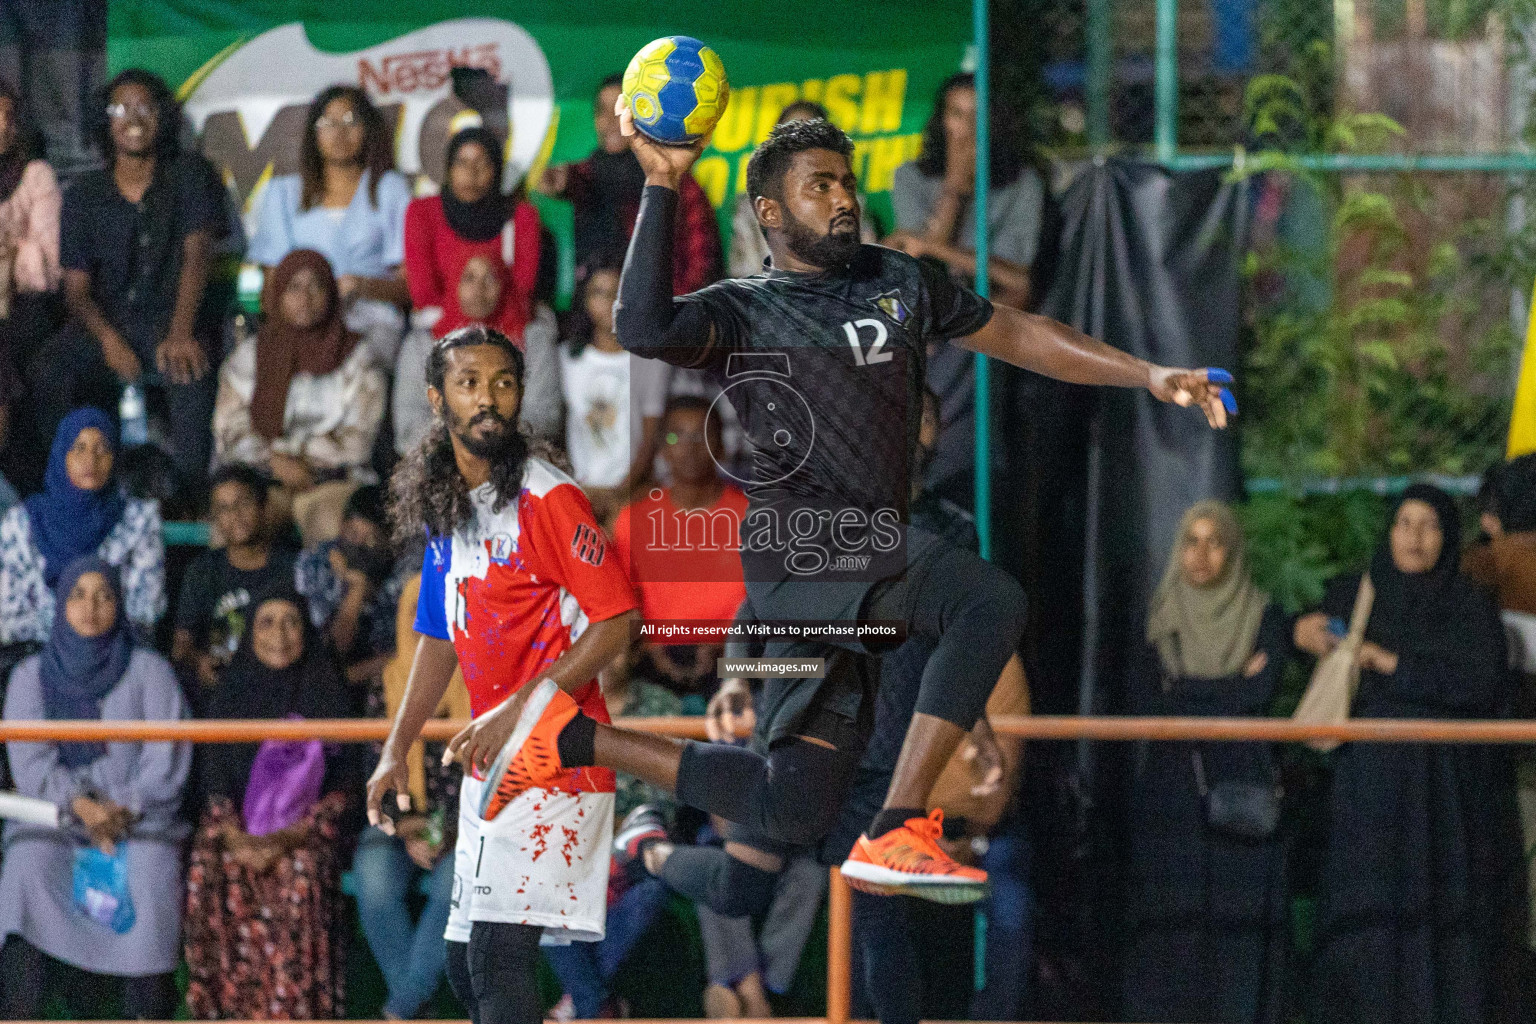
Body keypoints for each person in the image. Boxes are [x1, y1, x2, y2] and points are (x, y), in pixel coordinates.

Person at [463, 109, 1230, 899]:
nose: (842, 198)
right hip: (805, 543)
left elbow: (1022, 334)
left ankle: (573, 736)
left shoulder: (900, 279)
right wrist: (661, 179)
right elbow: (642, 322)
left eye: (847, 182)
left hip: (859, 555)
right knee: (988, 601)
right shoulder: (747, 305)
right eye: (819, 184)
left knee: (790, 804)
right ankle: (899, 826)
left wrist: (1147, 374)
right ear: (769, 211)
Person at [368, 325, 639, 1024]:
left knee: (495, 965)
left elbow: (617, 618)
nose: (488, 398)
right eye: (469, 383)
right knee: (467, 966)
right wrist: (397, 748)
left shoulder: (550, 499)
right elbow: (437, 635)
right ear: (436, 399)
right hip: (496, 763)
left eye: (504, 383)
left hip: (556, 758)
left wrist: (521, 708)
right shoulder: (445, 501)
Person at [1294, 484, 1525, 1024]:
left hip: (1443, 788)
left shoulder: (1467, 604)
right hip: (1371, 784)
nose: (1415, 537)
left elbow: (1480, 681)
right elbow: (1300, 630)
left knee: (1442, 905)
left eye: (1429, 525)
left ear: (1447, 538)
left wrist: (1393, 665)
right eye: (1404, 523)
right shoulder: (1357, 595)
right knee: (1366, 902)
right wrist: (1299, 632)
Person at [0, 556, 190, 1021]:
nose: (91, 607)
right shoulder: (30, 677)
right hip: (59, 817)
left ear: (120, 603)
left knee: (150, 869)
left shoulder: (150, 671)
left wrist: (122, 809)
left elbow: (165, 758)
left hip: (139, 819)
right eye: (79, 595)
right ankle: (18, 1013)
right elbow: (30, 766)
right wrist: (82, 806)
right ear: (61, 604)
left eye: (104, 595)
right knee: (28, 865)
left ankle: (145, 1014)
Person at [1121, 500, 1290, 1023]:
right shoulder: (1159, 616)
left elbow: (1259, 696)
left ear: (1233, 551)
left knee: (1238, 922)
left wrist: (1190, 692)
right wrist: (1232, 687)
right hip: (1172, 792)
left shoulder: (1264, 614)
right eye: (1190, 541)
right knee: (1174, 919)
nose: (1200, 555)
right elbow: (1148, 701)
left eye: (1215, 542)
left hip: (1243, 788)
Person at [33, 68, 224, 497]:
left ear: (163, 117)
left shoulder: (190, 174)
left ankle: (186, 501)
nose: (132, 118)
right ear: (106, 121)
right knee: (48, 372)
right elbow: (76, 291)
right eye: (120, 108)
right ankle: (66, 492)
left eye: (144, 107)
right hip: (105, 321)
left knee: (189, 370)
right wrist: (108, 341)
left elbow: (197, 258)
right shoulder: (84, 193)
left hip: (171, 318)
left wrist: (180, 331)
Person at [183, 587, 357, 1020]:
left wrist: (287, 837)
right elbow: (212, 782)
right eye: (266, 622)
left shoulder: (325, 692)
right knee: (215, 860)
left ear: (307, 632)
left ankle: (292, 1009)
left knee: (300, 870)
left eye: (291, 622)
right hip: (240, 832)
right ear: (249, 633)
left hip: (304, 836)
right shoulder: (228, 696)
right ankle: (228, 1009)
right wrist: (236, 836)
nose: (279, 635)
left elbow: (347, 785)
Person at [888, 72, 1049, 507]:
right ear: (941, 122)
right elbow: (919, 269)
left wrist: (936, 245)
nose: (967, 129)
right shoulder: (912, 178)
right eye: (957, 115)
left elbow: (1018, 281)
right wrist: (955, 190)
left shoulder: (1022, 184)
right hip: (931, 336)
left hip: (987, 335)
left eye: (978, 116)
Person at [353, 570, 469, 1022]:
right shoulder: (385, 688)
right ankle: (414, 1009)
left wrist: (451, 830)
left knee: (453, 887)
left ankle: (401, 1009)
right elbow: (372, 772)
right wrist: (405, 829)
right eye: (422, 619)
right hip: (396, 822)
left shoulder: (481, 684)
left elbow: (490, 776)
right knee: (375, 880)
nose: (433, 634)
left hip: (464, 827)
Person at [213, 248, 386, 545]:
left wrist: (302, 465)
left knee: (328, 523)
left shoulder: (359, 356)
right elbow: (229, 430)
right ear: (278, 293)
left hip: (336, 481)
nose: (304, 297)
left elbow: (359, 440)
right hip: (267, 479)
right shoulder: (251, 354)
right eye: (294, 287)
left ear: (331, 293)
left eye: (316, 286)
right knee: (235, 524)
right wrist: (276, 461)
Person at [248, 84, 411, 368]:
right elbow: (271, 288)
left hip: (370, 321)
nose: (339, 133)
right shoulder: (284, 193)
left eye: (350, 121)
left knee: (361, 366)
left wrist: (362, 286)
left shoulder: (389, 189)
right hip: (302, 321)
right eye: (328, 122)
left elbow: (410, 285)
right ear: (314, 133)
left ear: (368, 129)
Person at [612, 394, 748, 697]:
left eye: (702, 435)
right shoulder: (632, 520)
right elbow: (622, 607)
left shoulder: (753, 519)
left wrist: (727, 648)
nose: (689, 446)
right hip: (654, 659)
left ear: (722, 447)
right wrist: (648, 646)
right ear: (661, 449)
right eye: (676, 436)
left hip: (734, 658)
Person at [540, 73, 721, 293]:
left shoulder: (674, 178)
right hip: (598, 317)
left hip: (663, 309)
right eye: (602, 111)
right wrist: (556, 181)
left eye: (621, 111)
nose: (610, 121)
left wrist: (671, 307)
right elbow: (573, 182)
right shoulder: (587, 174)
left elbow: (701, 259)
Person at [0, 407, 164, 647]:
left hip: (115, 656)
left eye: (102, 449)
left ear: (114, 457)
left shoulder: (138, 520)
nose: (91, 460)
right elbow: (9, 618)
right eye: (79, 448)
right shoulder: (22, 524)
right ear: (61, 454)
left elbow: (144, 614)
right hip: (38, 658)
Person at [396, 252, 561, 455]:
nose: (479, 290)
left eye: (490, 278)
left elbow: (546, 415)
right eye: (469, 278)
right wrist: (465, 446)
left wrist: (489, 441)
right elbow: (407, 428)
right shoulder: (422, 345)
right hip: (441, 467)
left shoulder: (532, 340)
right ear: (454, 282)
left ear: (504, 283)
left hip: (515, 463)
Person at [171, 463, 297, 711]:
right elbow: (181, 645)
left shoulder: (292, 568)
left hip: (280, 692)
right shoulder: (203, 571)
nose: (235, 515)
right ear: (214, 518)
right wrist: (200, 662)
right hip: (221, 695)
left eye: (243, 503)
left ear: (264, 507)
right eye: (223, 509)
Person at [728, 101, 877, 278]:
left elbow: (867, 267)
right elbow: (741, 273)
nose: (804, 145)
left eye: (814, 136)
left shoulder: (850, 202)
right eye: (791, 137)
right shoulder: (751, 208)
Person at [0, 78, 61, 490]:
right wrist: (15, 248)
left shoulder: (36, 175)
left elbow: (45, 269)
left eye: (9, 116)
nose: (3, 125)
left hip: (27, 310)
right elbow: (27, 251)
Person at [294, 484, 411, 693]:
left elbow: (411, 652)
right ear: (342, 525)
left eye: (372, 540)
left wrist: (356, 674)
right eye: (353, 533)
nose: (359, 544)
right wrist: (356, 588)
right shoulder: (314, 564)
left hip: (390, 684)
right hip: (323, 686)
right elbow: (331, 653)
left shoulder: (402, 574)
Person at [559, 263, 634, 522]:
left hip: (633, 492)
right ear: (585, 299)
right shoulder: (568, 358)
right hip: (582, 489)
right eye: (599, 293)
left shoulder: (647, 360)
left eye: (618, 292)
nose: (611, 302)